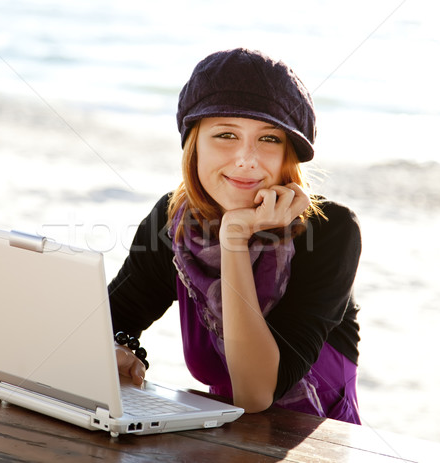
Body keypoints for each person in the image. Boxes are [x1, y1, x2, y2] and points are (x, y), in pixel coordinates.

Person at [108, 48, 362, 424]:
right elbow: (110, 318)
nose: (247, 158)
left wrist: (235, 239)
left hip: (316, 442)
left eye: (269, 139)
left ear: (287, 154)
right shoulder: (173, 221)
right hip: (216, 434)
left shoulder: (330, 231)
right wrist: (115, 349)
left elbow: (257, 392)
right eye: (226, 135)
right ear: (194, 145)